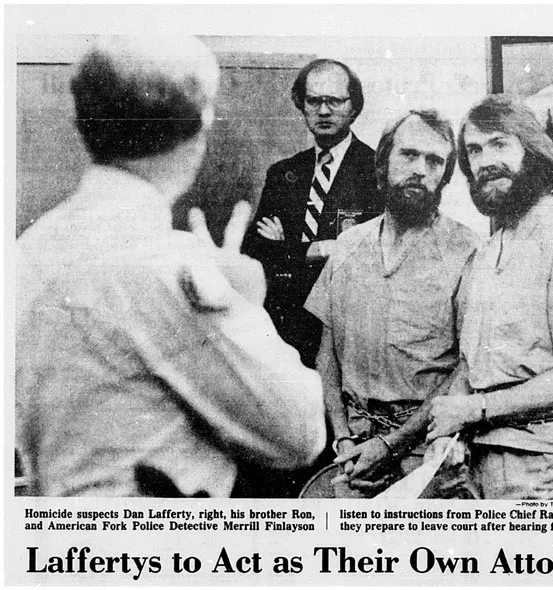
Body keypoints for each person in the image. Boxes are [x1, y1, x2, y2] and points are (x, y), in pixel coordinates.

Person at [16, 35, 326, 497]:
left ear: (85, 124)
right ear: (200, 129)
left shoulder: (28, 251)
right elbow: (300, 434)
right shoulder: (170, 267)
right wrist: (246, 303)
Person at [427, 95, 553, 500]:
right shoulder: (484, 253)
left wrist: (474, 411)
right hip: (476, 471)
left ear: (532, 151)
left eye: (499, 144)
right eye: (474, 150)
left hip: (548, 472)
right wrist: (447, 431)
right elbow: (471, 367)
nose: (484, 160)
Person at [305, 110, 478, 497]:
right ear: (383, 163)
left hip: (428, 451)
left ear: (446, 176)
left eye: (435, 161)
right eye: (409, 155)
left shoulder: (467, 251)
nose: (420, 169)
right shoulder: (349, 246)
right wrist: (345, 441)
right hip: (353, 451)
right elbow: (326, 356)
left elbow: (465, 370)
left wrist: (392, 444)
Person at [243, 59, 383, 369]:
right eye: (314, 101)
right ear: (301, 105)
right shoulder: (283, 173)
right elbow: (254, 250)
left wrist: (285, 248)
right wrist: (317, 248)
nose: (323, 111)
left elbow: (370, 256)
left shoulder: (377, 172)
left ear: (355, 107)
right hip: (285, 327)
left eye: (334, 100)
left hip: (347, 330)